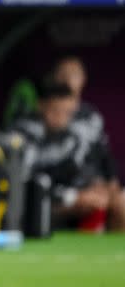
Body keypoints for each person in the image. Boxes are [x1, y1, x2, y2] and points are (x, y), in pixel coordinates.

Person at [13, 81, 125, 232]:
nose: (61, 118)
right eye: (55, 110)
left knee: (121, 202)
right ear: (41, 106)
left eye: (66, 113)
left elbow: (87, 168)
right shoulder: (24, 134)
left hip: (80, 198)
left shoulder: (74, 136)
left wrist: (100, 185)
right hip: (45, 206)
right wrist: (74, 196)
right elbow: (29, 183)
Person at [52, 55, 123, 219]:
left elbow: (104, 153)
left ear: (83, 79)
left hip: (95, 185)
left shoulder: (91, 116)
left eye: (74, 74)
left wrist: (111, 182)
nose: (68, 79)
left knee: (121, 203)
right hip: (68, 191)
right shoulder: (48, 115)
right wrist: (83, 190)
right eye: (63, 74)